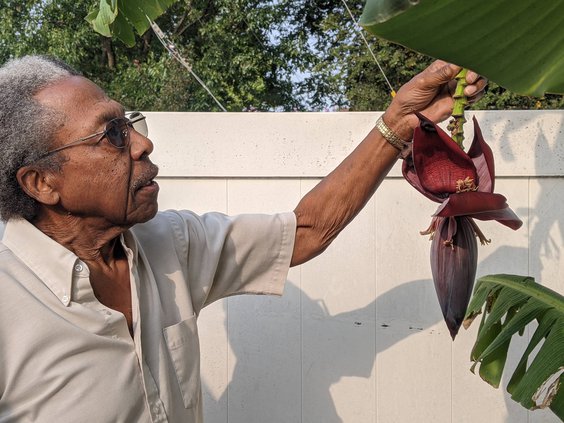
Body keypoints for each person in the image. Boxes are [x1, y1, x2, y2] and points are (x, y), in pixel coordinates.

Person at [0, 55, 485, 423]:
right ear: (42, 183)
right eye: (110, 133)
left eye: (129, 123)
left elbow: (307, 231)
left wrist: (400, 121)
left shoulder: (170, 244)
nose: (142, 143)